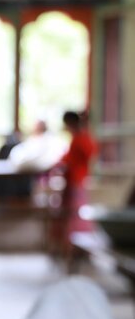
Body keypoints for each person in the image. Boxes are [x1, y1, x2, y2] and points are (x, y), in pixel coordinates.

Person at [51, 110, 98, 256]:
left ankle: (76, 249)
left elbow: (89, 153)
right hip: (72, 182)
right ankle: (69, 248)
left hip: (76, 182)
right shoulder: (77, 138)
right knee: (69, 216)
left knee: (74, 217)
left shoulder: (81, 138)